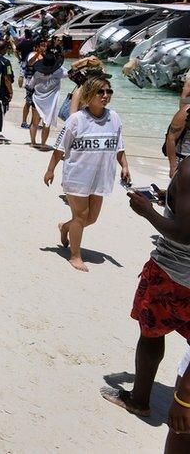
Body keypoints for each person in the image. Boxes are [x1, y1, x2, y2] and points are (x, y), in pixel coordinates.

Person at [103, 144, 190, 442]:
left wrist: (148, 211)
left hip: (172, 272)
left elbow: (183, 231)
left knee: (151, 332)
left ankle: (139, 400)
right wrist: (172, 199)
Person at [43, 77, 129, 272]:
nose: (105, 96)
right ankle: (75, 255)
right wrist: (50, 170)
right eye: (101, 92)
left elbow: (119, 145)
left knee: (91, 218)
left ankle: (66, 227)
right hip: (77, 175)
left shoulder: (114, 117)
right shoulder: (76, 119)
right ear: (89, 95)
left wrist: (124, 166)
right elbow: (60, 148)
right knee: (81, 216)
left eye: (109, 92)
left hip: (101, 176)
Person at [28, 48, 67, 148]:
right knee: (46, 123)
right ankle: (43, 144)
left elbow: (30, 86)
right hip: (50, 104)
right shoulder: (58, 73)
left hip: (37, 100)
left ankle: (32, 143)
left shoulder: (37, 74)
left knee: (34, 123)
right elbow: (70, 73)